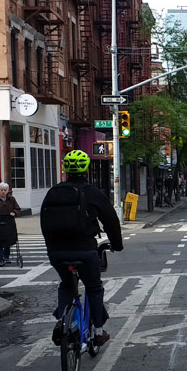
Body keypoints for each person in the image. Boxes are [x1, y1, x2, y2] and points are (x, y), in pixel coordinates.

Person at [41, 149, 124, 348]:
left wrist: (52, 247)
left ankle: (63, 322)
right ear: (86, 170)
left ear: (65, 169)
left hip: (56, 252)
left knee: (66, 284)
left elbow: (44, 223)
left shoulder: (53, 193)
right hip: (84, 250)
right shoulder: (92, 193)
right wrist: (117, 245)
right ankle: (97, 332)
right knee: (94, 288)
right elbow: (111, 222)